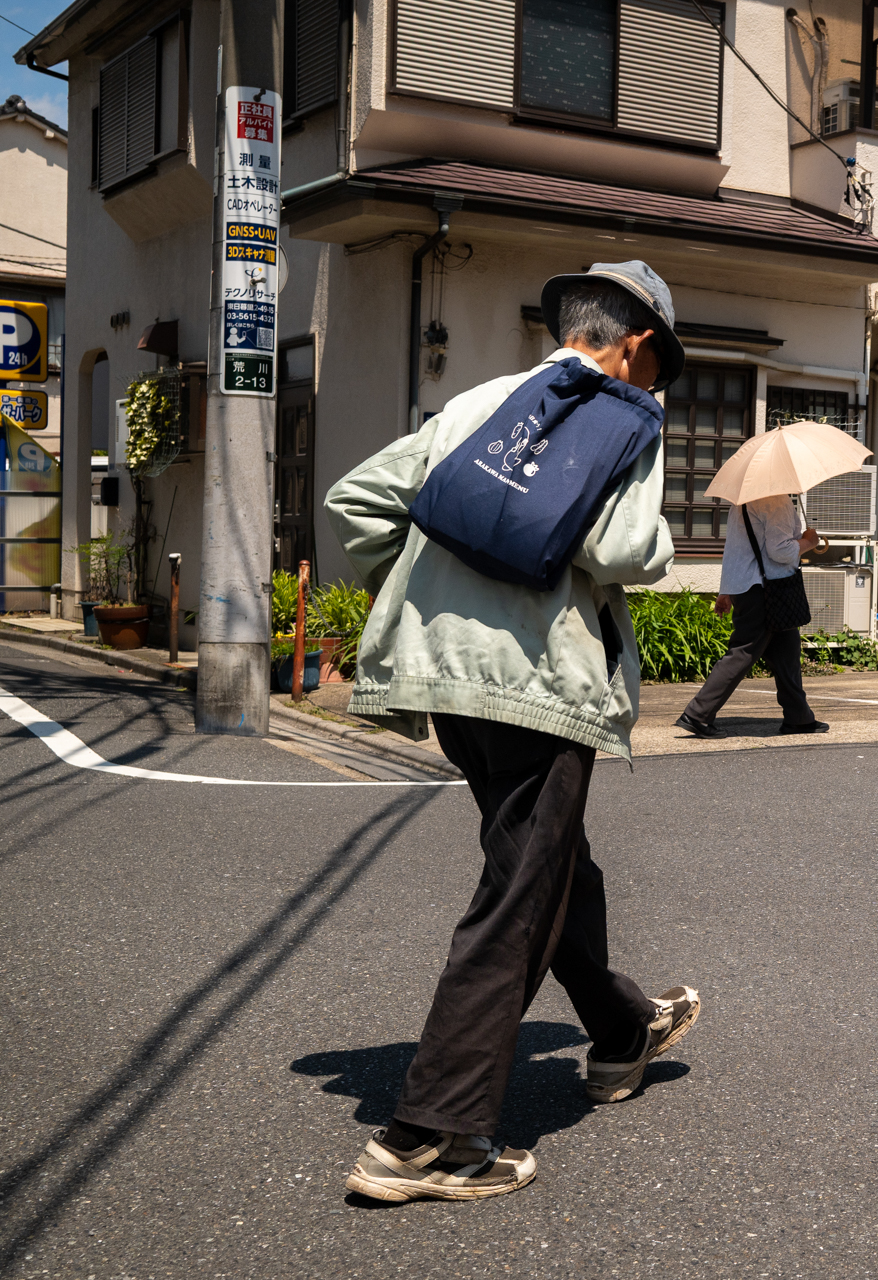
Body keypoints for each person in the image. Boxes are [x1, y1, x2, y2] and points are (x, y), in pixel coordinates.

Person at [323, 260, 702, 1203]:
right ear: (636, 345)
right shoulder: (622, 414)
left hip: (448, 676)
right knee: (519, 894)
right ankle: (428, 1137)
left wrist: (427, 595)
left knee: (551, 862)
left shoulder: (477, 404)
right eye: (657, 370)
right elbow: (619, 548)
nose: (653, 387)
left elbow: (358, 500)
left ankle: (620, 1031)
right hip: (538, 679)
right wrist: (663, 542)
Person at [673, 494, 830, 738]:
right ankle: (697, 714)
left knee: (787, 651)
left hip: (750, 587)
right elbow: (780, 551)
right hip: (767, 590)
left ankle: (799, 717)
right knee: (743, 652)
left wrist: (727, 589)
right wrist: (809, 542)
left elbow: (736, 548)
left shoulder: (743, 501)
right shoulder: (776, 500)